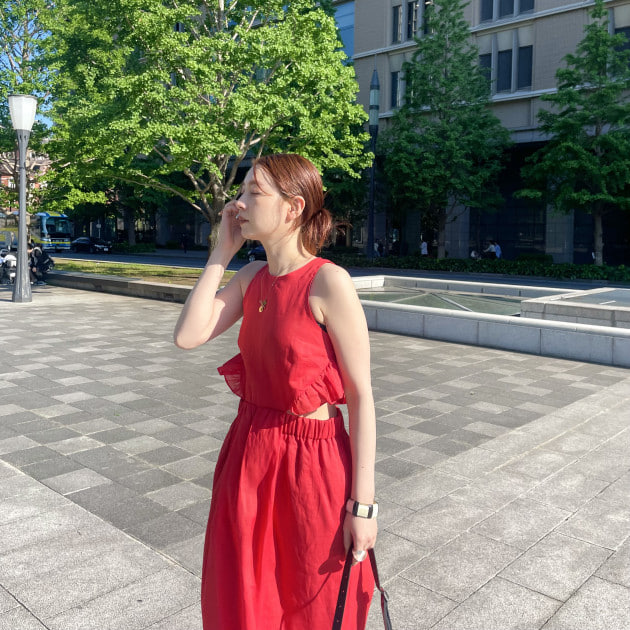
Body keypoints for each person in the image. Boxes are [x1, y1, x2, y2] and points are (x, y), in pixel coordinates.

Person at [174, 153, 377, 630]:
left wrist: (364, 506)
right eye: (241, 190)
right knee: (247, 595)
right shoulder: (250, 278)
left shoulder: (328, 282)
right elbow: (188, 335)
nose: (238, 204)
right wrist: (220, 253)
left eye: (253, 192)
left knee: (314, 598)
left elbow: (361, 396)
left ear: (293, 207)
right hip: (249, 454)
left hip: (314, 462)